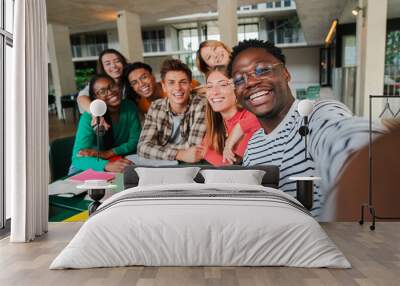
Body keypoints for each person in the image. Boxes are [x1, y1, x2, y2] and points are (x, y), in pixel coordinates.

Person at [227, 39, 385, 218]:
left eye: (262, 69)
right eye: (239, 79)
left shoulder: (313, 113)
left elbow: (344, 136)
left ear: (286, 74)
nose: (250, 82)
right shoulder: (253, 147)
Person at [137, 59, 206, 163]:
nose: (177, 88)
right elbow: (142, 147)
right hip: (162, 164)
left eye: (183, 82)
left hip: (189, 166)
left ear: (190, 85)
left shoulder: (201, 105)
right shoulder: (156, 107)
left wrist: (157, 148)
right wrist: (180, 154)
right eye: (171, 83)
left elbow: (194, 148)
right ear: (164, 87)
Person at [70, 74, 141, 173]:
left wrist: (108, 153)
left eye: (112, 86)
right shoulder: (88, 117)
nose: (111, 92)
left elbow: (135, 141)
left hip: (118, 160)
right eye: (102, 91)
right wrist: (106, 165)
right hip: (91, 164)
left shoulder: (129, 107)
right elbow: (77, 158)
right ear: (95, 97)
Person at [202, 66, 260, 166]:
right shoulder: (215, 127)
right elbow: (206, 154)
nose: (214, 92)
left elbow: (236, 164)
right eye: (209, 86)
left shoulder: (253, 116)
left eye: (223, 85)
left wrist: (229, 143)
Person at [77, 49, 132, 129]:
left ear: (123, 63)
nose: (113, 66)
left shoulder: (130, 80)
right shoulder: (98, 83)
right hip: (107, 126)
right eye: (108, 64)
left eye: (117, 61)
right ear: (103, 68)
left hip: (128, 124)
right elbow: (82, 97)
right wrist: (95, 114)